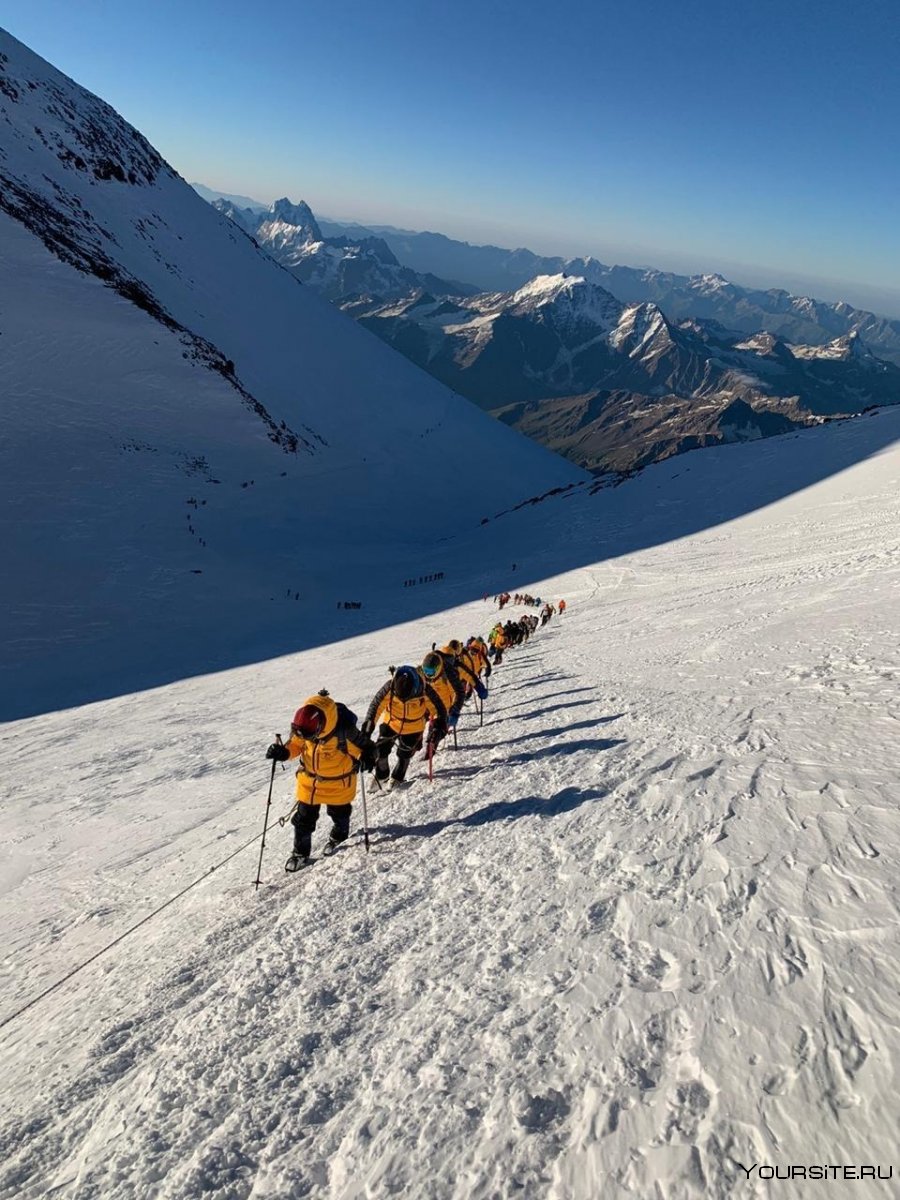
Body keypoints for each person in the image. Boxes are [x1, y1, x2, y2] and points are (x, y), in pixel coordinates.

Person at [266, 689, 375, 870]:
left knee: (339, 814)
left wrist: (368, 758)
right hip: (310, 784)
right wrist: (284, 753)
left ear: (319, 727)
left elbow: (367, 747)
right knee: (303, 820)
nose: (305, 738)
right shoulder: (305, 728)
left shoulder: (343, 731)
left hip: (338, 784)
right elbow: (295, 745)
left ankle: (339, 837)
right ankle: (300, 853)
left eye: (308, 736)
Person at [361, 666, 447, 787]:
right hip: (391, 722)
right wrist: (367, 728)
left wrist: (439, 726)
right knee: (381, 750)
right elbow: (376, 706)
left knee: (404, 754)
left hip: (413, 727)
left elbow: (440, 709)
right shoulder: (389, 687)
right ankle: (382, 775)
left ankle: (397, 778)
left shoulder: (424, 689)